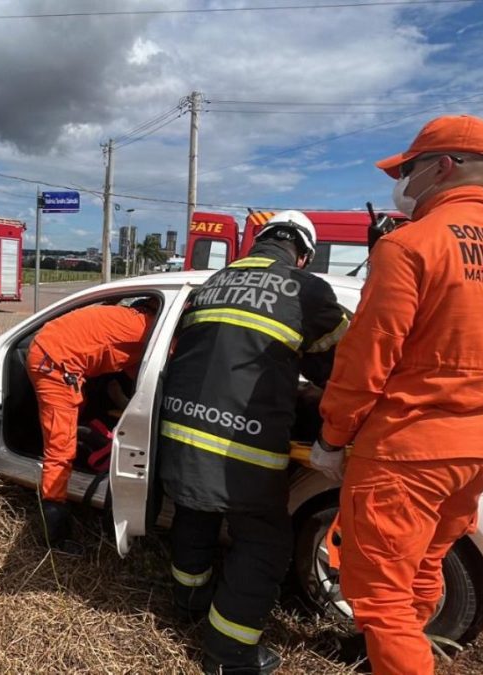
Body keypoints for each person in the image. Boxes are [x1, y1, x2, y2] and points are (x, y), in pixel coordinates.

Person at [310, 115, 483, 675]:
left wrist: (333, 436)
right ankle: (400, 652)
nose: (401, 182)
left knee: (380, 596)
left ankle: (397, 656)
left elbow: (367, 357)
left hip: (409, 447)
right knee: (423, 566)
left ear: (442, 166)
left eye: (407, 169)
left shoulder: (409, 245)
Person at [159, 211, 348, 674]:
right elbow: (343, 370)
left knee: (194, 515)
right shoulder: (306, 289)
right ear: (303, 254)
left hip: (180, 431)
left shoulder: (212, 282)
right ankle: (230, 655)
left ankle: (188, 604)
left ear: (258, 242)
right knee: (264, 544)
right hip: (244, 446)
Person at [25, 299, 157, 551]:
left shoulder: (136, 324)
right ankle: (55, 535)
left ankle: (79, 445)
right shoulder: (147, 331)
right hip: (54, 362)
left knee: (76, 415)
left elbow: (139, 371)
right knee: (60, 450)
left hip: (54, 351)